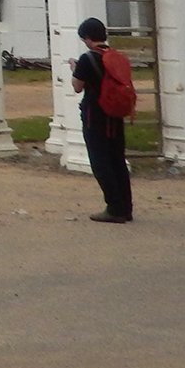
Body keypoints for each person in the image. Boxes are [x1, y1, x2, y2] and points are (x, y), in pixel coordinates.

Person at [70, 16, 132, 223]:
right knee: (117, 160)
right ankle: (125, 206)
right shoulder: (116, 57)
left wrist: (74, 70)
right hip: (115, 113)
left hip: (94, 114)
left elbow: (78, 87)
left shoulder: (87, 59)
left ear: (87, 38)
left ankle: (114, 207)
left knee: (100, 161)